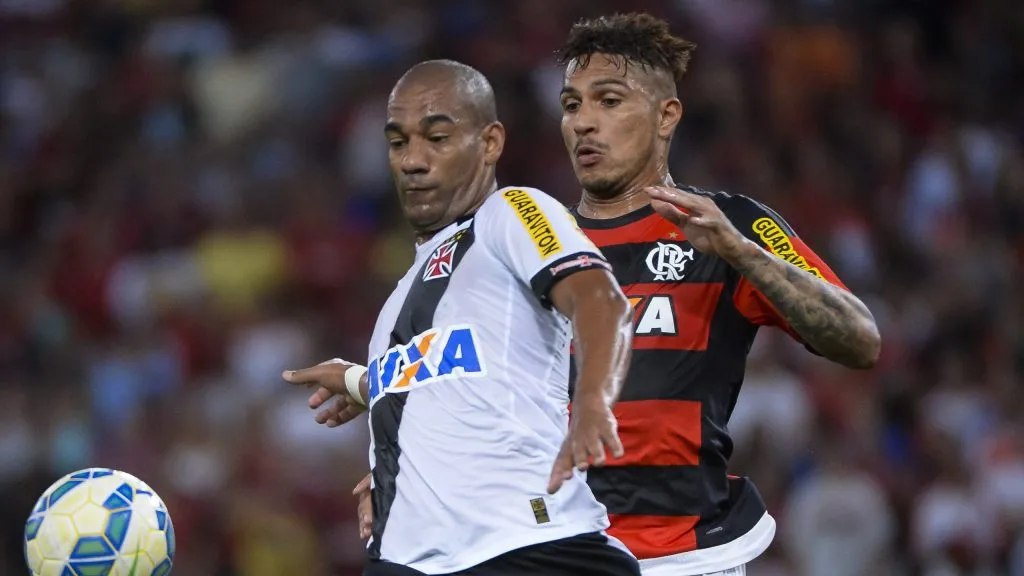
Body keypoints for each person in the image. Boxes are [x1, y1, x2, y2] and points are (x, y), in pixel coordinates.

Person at [281, 59, 642, 576]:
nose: (413, 161)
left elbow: (600, 300)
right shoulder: (398, 304)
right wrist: (366, 390)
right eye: (399, 142)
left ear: (490, 143)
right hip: (406, 560)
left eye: (437, 138)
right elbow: (465, 369)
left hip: (523, 547)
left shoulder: (511, 214)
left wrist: (591, 403)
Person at [552, 12, 882, 576]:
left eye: (608, 101)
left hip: (687, 555)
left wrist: (741, 252)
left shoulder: (728, 224)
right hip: (553, 548)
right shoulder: (533, 240)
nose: (584, 122)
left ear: (666, 116)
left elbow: (860, 340)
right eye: (572, 104)